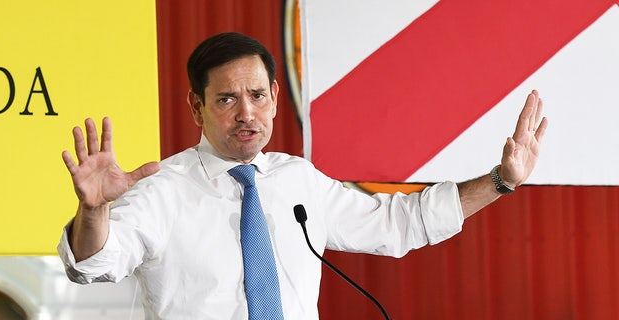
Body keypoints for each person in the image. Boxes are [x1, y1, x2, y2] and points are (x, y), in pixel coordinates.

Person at [57, 32, 547, 319]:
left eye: (257, 95)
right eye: (226, 99)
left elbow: (400, 224)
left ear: (274, 94)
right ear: (196, 106)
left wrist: (501, 181)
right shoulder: (162, 190)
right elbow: (92, 265)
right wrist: (94, 207)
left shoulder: (298, 180)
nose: (246, 113)